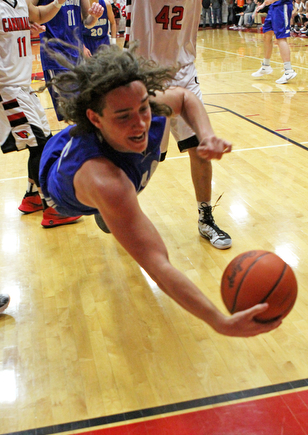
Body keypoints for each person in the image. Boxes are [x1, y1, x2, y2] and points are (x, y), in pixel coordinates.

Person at [39, 44, 281, 337]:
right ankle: (107, 211)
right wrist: (219, 321)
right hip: (61, 182)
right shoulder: (105, 182)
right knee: (118, 195)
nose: (141, 123)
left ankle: (115, 212)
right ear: (95, 118)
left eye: (143, 107)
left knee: (126, 189)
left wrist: (206, 136)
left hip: (104, 152)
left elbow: (184, 96)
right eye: (124, 116)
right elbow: (157, 263)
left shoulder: (144, 111)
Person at [0, 0, 91, 227]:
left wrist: (58, 3)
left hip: (22, 87)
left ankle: (32, 197)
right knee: (40, 146)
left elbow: (41, 14)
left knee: (45, 141)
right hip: (4, 88)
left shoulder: (22, 4)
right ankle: (53, 209)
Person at [124, 0, 232, 250]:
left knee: (199, 148)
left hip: (184, 72)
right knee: (143, 158)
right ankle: (117, 204)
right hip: (145, 75)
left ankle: (205, 217)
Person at [32, 0, 104, 122]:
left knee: (85, 109)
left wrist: (94, 16)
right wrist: (30, 23)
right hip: (56, 55)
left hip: (77, 54)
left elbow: (87, 21)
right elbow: (27, 9)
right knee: (76, 113)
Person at [252, 0, 297, 84]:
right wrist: (264, 4)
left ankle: (288, 70)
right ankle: (266, 66)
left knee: (281, 38)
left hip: (282, 6)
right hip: (273, 7)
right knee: (267, 34)